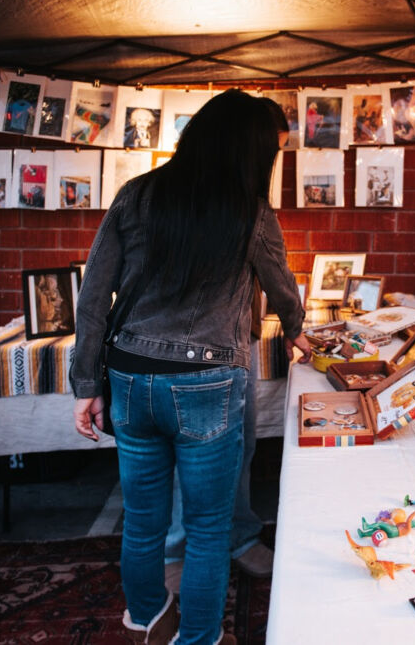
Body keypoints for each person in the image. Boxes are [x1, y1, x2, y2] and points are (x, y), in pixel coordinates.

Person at [71, 89, 311, 645]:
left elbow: (93, 296)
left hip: (130, 379)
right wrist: (297, 331)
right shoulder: (249, 211)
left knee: (143, 519)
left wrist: (86, 384)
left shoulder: (135, 195)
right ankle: (199, 639)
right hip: (207, 381)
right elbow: (281, 287)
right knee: (207, 528)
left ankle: (146, 619)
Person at [163, 97, 292, 588]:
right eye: (271, 152)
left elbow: (273, 277)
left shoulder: (249, 206)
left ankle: (237, 537)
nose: (272, 163)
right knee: (189, 463)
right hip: (188, 357)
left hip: (234, 351)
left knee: (242, 449)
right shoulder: (179, 199)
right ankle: (180, 552)